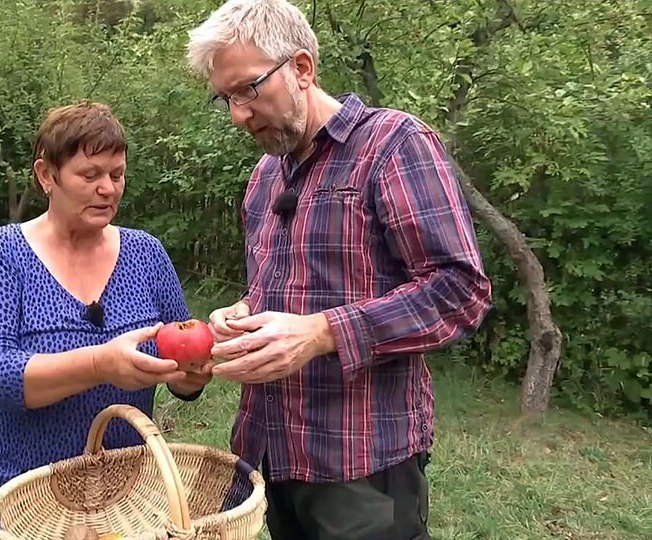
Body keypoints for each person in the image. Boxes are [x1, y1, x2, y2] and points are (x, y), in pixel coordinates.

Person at [186, 1, 493, 539]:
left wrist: (322, 332)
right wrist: (241, 315)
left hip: (362, 466)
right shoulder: (264, 177)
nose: (239, 114)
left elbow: (460, 289)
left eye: (249, 89)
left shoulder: (393, 145)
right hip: (269, 454)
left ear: (301, 69)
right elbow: (274, 290)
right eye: (227, 98)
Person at [0, 101, 213, 540]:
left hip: (124, 488)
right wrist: (100, 364)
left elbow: (178, 353)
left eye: (117, 174)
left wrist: (191, 377)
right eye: (90, 175)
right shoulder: (0, 253)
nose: (108, 188)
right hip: (18, 486)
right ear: (46, 175)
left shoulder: (146, 254)